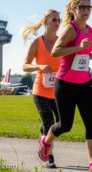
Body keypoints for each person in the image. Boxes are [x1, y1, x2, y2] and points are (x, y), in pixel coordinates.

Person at [37, 0, 92, 172]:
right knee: (65, 125)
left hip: (85, 83)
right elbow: (56, 51)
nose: (86, 10)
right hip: (66, 83)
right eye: (82, 7)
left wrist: (91, 56)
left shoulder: (89, 30)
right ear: (73, 9)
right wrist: (79, 48)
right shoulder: (70, 28)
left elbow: (81, 53)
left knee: (91, 122)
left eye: (88, 7)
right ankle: (45, 141)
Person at [22, 9, 62, 168]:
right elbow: (25, 66)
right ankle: (50, 158)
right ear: (45, 22)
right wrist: (39, 66)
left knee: (61, 124)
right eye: (53, 20)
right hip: (40, 91)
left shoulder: (62, 41)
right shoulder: (37, 42)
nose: (57, 23)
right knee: (48, 123)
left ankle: (44, 135)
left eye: (59, 20)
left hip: (58, 91)